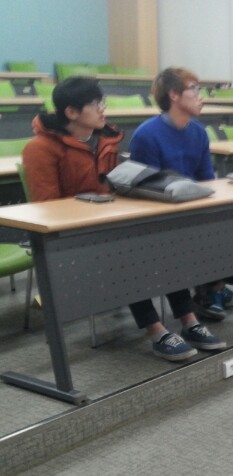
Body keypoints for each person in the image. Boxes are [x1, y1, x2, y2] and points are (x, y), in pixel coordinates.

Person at [22, 76, 222, 362]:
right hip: (69, 237)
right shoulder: (40, 149)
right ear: (72, 112)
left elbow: (112, 186)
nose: (102, 108)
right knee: (129, 254)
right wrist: (97, 209)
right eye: (95, 104)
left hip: (108, 223)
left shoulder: (105, 140)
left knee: (162, 243)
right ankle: (157, 332)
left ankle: (189, 321)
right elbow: (48, 208)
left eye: (102, 102)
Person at [129, 67, 233, 321]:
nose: (201, 96)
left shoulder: (198, 132)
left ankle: (212, 287)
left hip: (192, 206)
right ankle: (209, 291)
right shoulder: (147, 135)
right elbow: (147, 190)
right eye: (194, 89)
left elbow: (206, 180)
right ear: (174, 95)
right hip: (163, 214)